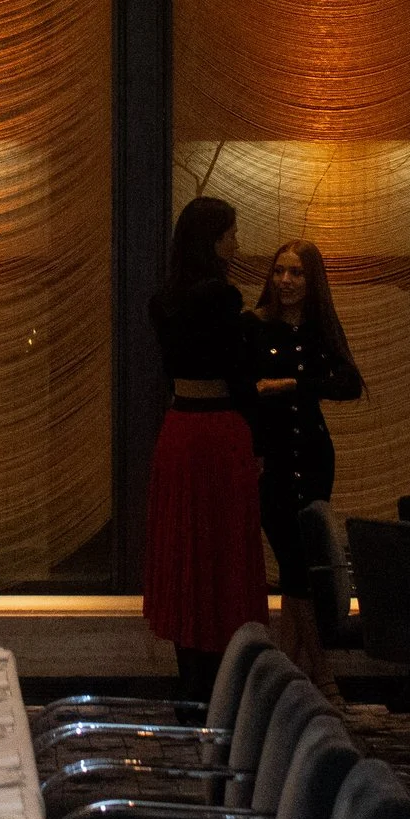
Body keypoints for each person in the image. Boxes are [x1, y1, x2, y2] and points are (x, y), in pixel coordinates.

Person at [141, 196, 267, 700]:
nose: (236, 244)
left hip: (180, 431)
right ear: (215, 240)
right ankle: (220, 689)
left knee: (185, 555)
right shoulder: (221, 298)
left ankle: (190, 683)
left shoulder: (164, 300)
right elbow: (240, 377)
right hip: (218, 432)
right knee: (222, 558)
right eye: (231, 234)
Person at [247, 240, 363, 690]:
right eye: (279, 271)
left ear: (311, 280)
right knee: (296, 564)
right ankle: (319, 675)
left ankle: (284, 680)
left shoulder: (319, 329)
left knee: (302, 565)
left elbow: (349, 383)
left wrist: (293, 383)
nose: (286, 281)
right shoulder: (255, 326)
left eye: (296, 273)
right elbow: (245, 390)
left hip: (313, 456)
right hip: (270, 460)